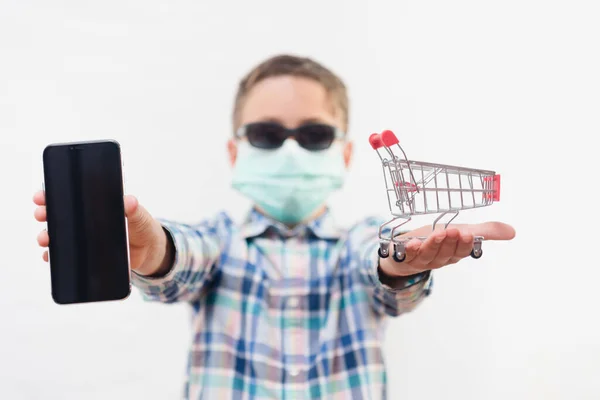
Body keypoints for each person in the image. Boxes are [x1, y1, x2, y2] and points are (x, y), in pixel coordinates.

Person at [33, 54, 515, 399]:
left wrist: (402, 262)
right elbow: (182, 258)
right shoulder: (219, 241)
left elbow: (386, 274)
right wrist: (153, 249)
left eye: (313, 134)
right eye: (265, 134)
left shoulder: (361, 242)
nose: (289, 151)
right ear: (235, 151)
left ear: (345, 154)